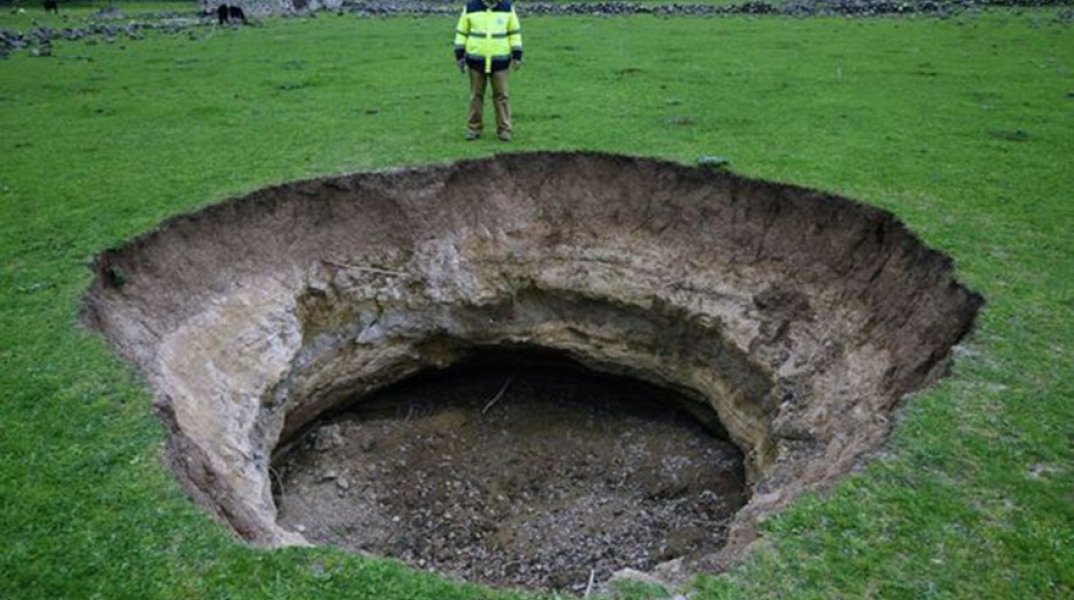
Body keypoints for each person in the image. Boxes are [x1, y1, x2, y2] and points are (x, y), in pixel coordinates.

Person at [453, 0, 522, 141]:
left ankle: (504, 129)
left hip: (500, 61)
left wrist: (517, 55)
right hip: (476, 61)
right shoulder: (470, 7)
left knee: (501, 96)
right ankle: (473, 129)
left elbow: (514, 32)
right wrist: (459, 54)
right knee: (476, 96)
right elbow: (462, 32)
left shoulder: (508, 8)